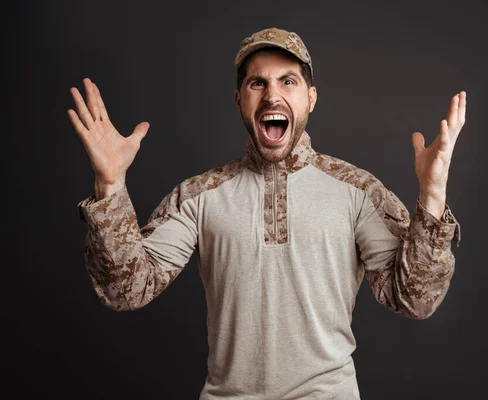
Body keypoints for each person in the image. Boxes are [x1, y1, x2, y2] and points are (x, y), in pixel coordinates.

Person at [70, 27, 465, 400]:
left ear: (310, 97)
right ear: (239, 99)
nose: (272, 96)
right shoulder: (199, 196)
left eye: (287, 81)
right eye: (257, 83)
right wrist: (110, 187)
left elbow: (414, 299)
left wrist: (432, 195)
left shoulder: (357, 191)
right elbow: (125, 291)